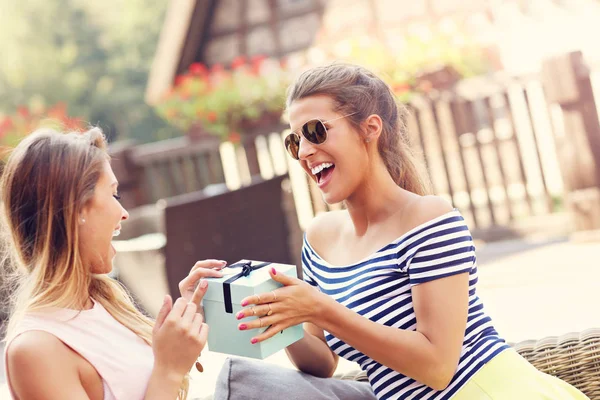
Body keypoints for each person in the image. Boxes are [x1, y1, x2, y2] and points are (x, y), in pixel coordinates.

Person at [231, 64, 589, 399]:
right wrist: (278, 315)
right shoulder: (320, 237)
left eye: (315, 131)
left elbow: (437, 367)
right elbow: (323, 362)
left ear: (370, 128)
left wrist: (322, 310)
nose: (305, 151)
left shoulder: (429, 219)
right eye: (294, 142)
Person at [1, 127, 225, 400]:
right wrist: (168, 370)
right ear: (77, 210)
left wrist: (183, 330)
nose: (124, 213)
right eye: (113, 194)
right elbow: (160, 380)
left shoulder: (104, 301)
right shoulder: (36, 349)